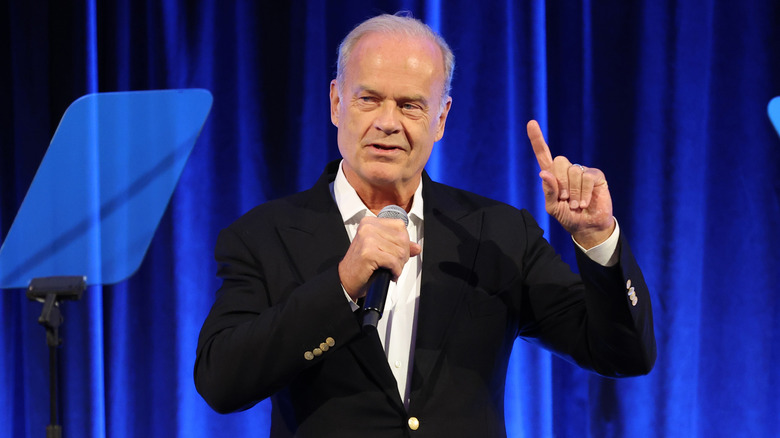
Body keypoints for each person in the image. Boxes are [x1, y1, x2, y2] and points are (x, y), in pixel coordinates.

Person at [194, 12, 655, 438]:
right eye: (369, 99)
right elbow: (221, 381)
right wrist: (340, 287)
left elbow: (622, 354)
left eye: (411, 105)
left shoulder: (498, 234)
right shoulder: (264, 236)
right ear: (337, 102)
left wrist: (597, 238)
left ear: (441, 117)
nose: (388, 123)